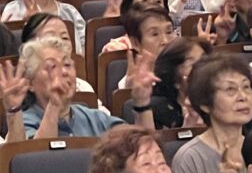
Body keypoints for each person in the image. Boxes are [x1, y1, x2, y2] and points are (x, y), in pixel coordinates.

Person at [19, 36, 156, 137]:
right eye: (52, 67)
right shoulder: (24, 123)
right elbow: (38, 160)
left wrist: (142, 103)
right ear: (30, 83)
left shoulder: (95, 118)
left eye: (67, 65)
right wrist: (54, 105)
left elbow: (142, 146)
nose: (64, 72)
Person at [173, 55, 252, 173]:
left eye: (246, 87)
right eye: (230, 89)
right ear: (205, 104)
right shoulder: (190, 158)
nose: (243, 97)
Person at [147, 37, 211, 129]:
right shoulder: (159, 111)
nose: (203, 68)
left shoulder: (222, 102)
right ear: (175, 79)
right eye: (193, 65)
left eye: (205, 60)